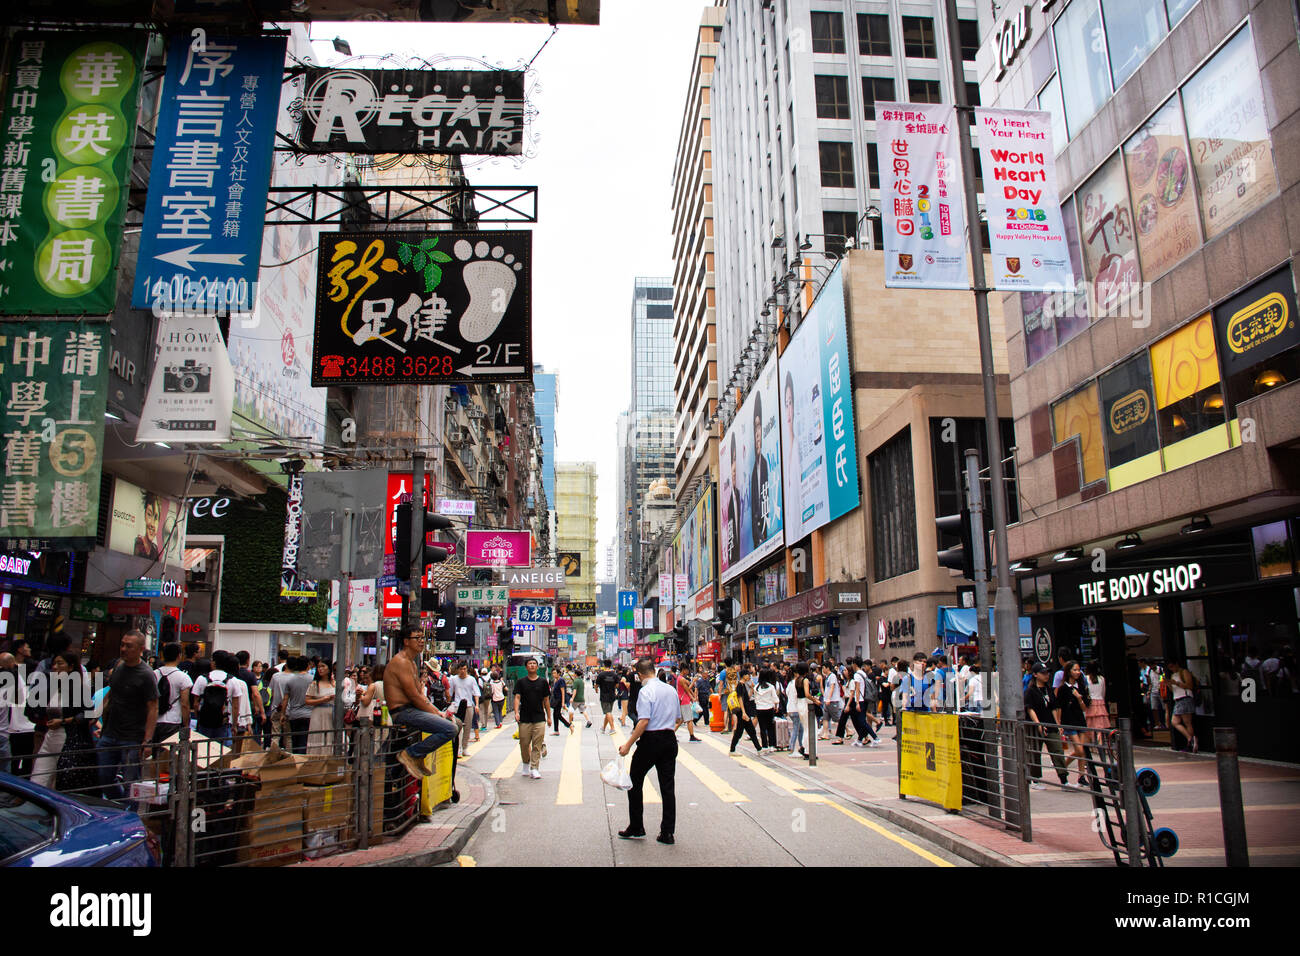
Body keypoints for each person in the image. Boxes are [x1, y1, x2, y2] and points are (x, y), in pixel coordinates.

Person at [386, 630, 461, 800]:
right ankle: (411, 754)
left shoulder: (412, 663)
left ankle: (414, 757)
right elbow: (414, 696)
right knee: (450, 729)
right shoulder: (401, 662)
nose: (421, 641)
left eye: (422, 638)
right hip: (403, 712)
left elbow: (419, 696)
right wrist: (437, 714)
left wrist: (438, 713)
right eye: (417, 638)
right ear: (406, 641)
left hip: (412, 710)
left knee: (454, 723)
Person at [617, 656, 679, 845]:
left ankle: (637, 826)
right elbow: (678, 718)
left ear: (639, 674)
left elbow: (643, 721)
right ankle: (667, 833)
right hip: (669, 739)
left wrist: (628, 744)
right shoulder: (670, 690)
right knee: (667, 787)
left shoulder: (646, 691)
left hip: (651, 740)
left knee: (634, 781)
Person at [96, 631, 158, 801]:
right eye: (122, 644)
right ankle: (120, 805)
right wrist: (97, 717)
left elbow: (153, 708)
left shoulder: (146, 674)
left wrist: (147, 741)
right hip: (109, 734)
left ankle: (128, 814)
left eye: (129, 646)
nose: (123, 649)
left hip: (132, 737)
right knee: (104, 777)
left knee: (131, 782)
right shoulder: (118, 667)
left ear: (140, 649)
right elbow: (111, 694)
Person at [1024, 663, 1068, 789]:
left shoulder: (1049, 689)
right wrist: (1038, 724)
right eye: (1043, 673)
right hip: (1035, 726)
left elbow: (1053, 707)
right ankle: (1035, 780)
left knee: (1058, 750)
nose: (1046, 675)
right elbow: (1029, 709)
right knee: (1035, 752)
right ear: (1035, 674)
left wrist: (1058, 724)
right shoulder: (1030, 691)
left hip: (1050, 724)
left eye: (1047, 672)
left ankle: (1064, 780)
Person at [192, 650, 248, 748]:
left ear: (213, 662)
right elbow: (235, 706)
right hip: (223, 721)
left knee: (203, 750)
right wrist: (234, 724)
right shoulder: (232, 680)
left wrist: (199, 717)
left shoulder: (202, 679)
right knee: (222, 752)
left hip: (204, 722)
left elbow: (196, 703)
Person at [1052, 661, 1092, 789]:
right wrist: (1059, 724)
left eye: (1079, 670)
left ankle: (1081, 777)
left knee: (1082, 751)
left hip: (1080, 720)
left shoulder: (1081, 686)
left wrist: (1079, 697)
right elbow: (1059, 707)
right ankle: (1063, 766)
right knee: (1079, 750)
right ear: (1069, 671)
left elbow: (1085, 708)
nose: (1078, 672)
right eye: (1075, 670)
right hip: (1069, 721)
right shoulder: (1063, 688)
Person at [513, 657, 551, 779]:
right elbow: (517, 697)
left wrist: (549, 717)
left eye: (534, 663)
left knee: (537, 744)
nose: (532, 665)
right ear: (526, 667)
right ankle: (525, 764)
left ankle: (534, 768)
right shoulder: (521, 682)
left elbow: (546, 700)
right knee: (524, 742)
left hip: (539, 717)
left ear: (537, 666)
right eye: (530, 663)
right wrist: (516, 712)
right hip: (524, 717)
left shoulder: (543, 682)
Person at [153, 642, 192, 742]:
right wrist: (186, 724)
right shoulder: (183, 677)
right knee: (167, 753)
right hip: (173, 720)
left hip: (153, 719)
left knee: (153, 752)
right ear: (179, 656)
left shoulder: (153, 674)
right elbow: (184, 704)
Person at [448, 660, 481, 753]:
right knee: (458, 727)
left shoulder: (471, 679)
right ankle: (458, 748)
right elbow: (450, 693)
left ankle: (465, 747)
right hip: (457, 706)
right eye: (461, 669)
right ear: (458, 670)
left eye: (465, 669)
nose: (463, 671)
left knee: (468, 727)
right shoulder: (453, 679)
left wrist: (477, 705)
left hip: (469, 706)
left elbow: (476, 693)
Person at [305, 660, 336, 756]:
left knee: (330, 737)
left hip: (332, 713)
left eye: (323, 666)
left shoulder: (334, 683)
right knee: (317, 737)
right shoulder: (315, 684)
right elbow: (307, 701)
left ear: (329, 668)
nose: (320, 669)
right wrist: (322, 700)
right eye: (318, 667)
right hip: (318, 714)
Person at [727, 667, 761, 754]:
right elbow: (740, 699)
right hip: (743, 712)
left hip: (744, 712)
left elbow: (747, 698)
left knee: (745, 731)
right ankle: (733, 750)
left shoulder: (743, 685)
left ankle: (758, 749)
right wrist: (744, 712)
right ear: (744, 676)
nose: (749, 676)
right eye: (748, 675)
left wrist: (752, 689)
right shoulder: (740, 685)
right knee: (745, 732)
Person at [1168, 663, 1198, 753]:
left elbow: (1189, 686)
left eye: (1172, 666)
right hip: (1177, 698)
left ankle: (1191, 742)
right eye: (1169, 667)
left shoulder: (1183, 672)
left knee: (1187, 722)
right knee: (1175, 722)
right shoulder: (1173, 675)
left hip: (1185, 698)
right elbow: (1173, 690)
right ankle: (1190, 739)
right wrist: (1169, 684)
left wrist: (1176, 683)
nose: (1171, 669)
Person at [753, 668, 779, 751]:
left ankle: (764, 746)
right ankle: (771, 745)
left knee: (762, 728)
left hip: (759, 709)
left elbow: (755, 699)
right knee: (770, 727)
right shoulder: (771, 687)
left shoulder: (756, 687)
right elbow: (775, 699)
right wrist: (776, 706)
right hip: (769, 708)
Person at [1083, 661, 1109, 742]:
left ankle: (1092, 745)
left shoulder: (1085, 678)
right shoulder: (1102, 678)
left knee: (1090, 726)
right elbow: (1103, 692)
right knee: (1100, 728)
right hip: (1100, 704)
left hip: (1090, 704)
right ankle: (1100, 744)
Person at [674, 666, 701, 742]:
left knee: (681, 720)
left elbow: (688, 688)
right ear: (684, 670)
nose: (688, 671)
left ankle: (671, 735)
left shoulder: (680, 678)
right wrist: (693, 698)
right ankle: (692, 736)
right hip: (684, 701)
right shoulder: (681, 679)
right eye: (687, 670)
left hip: (683, 700)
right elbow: (687, 689)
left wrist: (693, 697)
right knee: (689, 719)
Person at [595, 659, 619, 734]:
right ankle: (603, 728)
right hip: (612, 696)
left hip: (604, 696)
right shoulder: (614, 675)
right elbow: (617, 685)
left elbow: (596, 685)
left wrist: (596, 690)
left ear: (604, 665)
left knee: (607, 712)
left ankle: (612, 728)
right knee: (608, 712)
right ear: (610, 665)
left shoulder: (601, 675)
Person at [550, 667, 572, 735]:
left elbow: (563, 692)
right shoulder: (555, 680)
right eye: (552, 673)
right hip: (555, 700)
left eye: (555, 673)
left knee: (558, 715)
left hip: (559, 700)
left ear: (558, 673)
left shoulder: (561, 680)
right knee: (555, 714)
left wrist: (563, 703)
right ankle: (556, 731)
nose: (553, 674)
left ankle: (569, 725)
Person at [571, 664, 591, 728]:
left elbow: (575, 690)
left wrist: (572, 698)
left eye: (574, 674)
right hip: (582, 699)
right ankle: (588, 721)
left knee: (571, 710)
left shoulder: (576, 681)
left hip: (576, 699)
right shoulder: (582, 681)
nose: (573, 674)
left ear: (576, 674)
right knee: (583, 711)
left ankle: (570, 722)